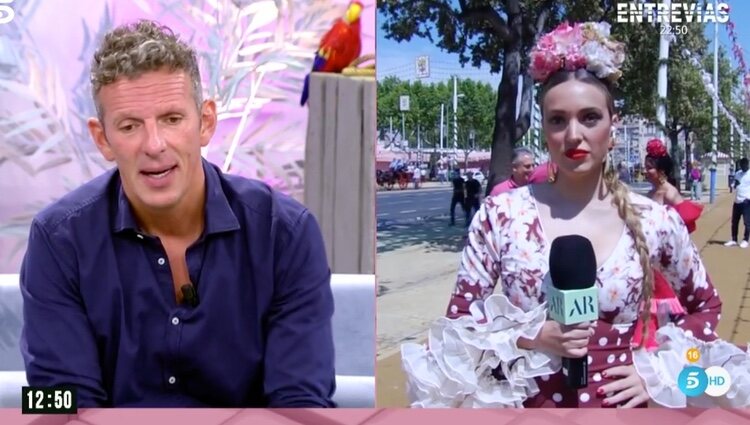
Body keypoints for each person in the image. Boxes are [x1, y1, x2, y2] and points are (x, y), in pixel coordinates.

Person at [401, 22, 732, 409]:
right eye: (558, 120)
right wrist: (531, 336)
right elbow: (458, 324)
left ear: (613, 128)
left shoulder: (655, 220)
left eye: (589, 117)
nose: (573, 135)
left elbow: (707, 309)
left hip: (624, 411)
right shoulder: (501, 214)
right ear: (545, 131)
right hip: (525, 406)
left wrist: (658, 373)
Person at [20, 20, 335, 407]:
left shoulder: (285, 233)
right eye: (130, 126)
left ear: (205, 122)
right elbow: (57, 401)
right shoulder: (57, 239)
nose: (154, 145)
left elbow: (300, 400)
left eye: (172, 119)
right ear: (102, 139)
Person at [632, 138, 705, 350]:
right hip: (649, 260)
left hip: (665, 263)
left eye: (650, 168)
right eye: (645, 168)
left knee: (662, 306)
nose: (646, 172)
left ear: (661, 170)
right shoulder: (650, 192)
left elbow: (684, 226)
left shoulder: (669, 192)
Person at [725, 157, 750, 248]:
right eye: (741, 165)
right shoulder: (738, 173)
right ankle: (734, 239)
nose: (742, 167)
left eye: (744, 165)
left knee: (747, 222)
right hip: (737, 201)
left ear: (747, 165)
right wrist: (734, 185)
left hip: (746, 201)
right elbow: (734, 184)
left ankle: (745, 240)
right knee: (734, 221)